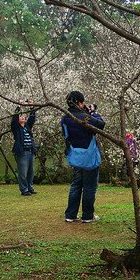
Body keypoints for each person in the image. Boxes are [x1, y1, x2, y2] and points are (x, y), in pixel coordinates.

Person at [61, 91, 105, 223]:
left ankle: (70, 215)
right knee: (89, 187)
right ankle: (87, 216)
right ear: (80, 102)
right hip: (89, 156)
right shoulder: (85, 117)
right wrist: (93, 113)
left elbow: (66, 135)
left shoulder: (65, 118)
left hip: (76, 156)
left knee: (76, 185)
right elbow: (101, 125)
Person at [11, 100, 38, 196]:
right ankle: (24, 189)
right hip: (22, 153)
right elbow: (14, 119)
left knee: (31, 172)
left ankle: (30, 187)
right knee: (23, 172)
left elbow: (32, 118)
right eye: (20, 116)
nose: (23, 117)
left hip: (30, 152)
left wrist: (32, 107)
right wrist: (18, 106)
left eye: (24, 117)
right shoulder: (16, 128)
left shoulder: (27, 127)